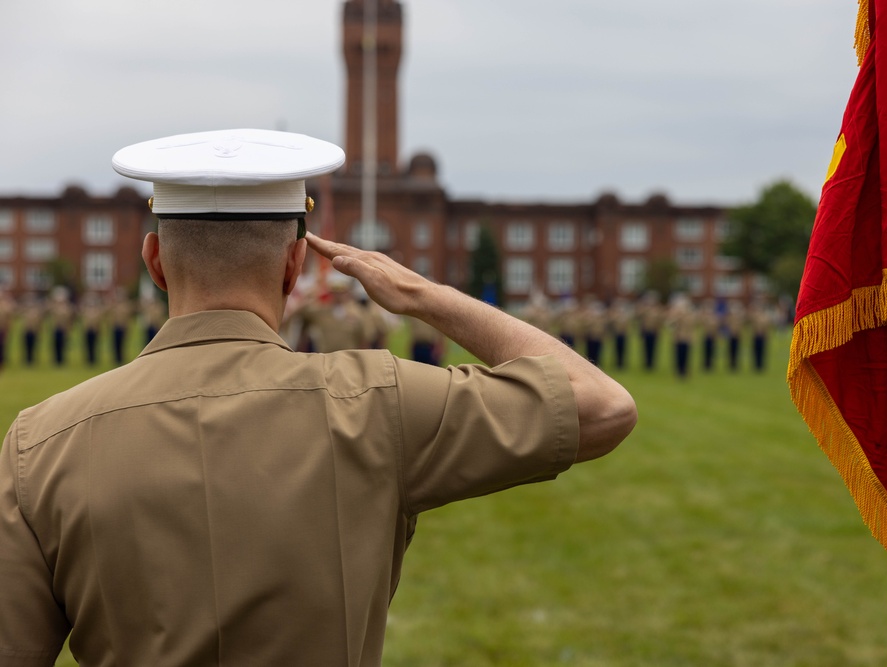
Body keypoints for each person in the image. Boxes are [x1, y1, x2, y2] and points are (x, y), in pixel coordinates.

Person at [0, 129, 637, 667]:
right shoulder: (374, 404)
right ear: (295, 265)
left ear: (155, 261)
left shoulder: (39, 444)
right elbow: (601, 405)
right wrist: (421, 295)